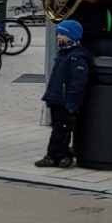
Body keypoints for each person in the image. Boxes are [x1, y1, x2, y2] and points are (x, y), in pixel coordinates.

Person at [36, 20, 93, 168]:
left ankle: (54, 156)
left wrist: (72, 103)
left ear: (72, 37)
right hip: (57, 99)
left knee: (62, 130)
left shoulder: (77, 57)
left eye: (61, 34)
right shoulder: (64, 54)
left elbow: (77, 83)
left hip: (65, 101)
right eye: (58, 34)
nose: (58, 37)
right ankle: (62, 155)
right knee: (59, 129)